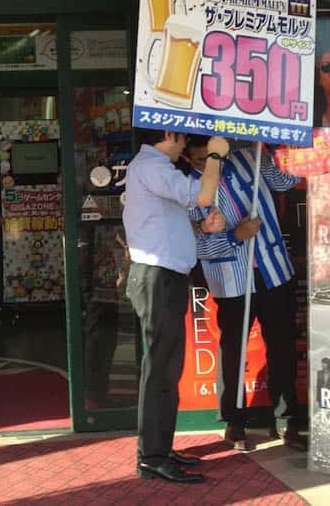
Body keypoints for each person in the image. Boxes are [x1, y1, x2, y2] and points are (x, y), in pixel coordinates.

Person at [185, 136, 307, 453]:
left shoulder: (248, 156)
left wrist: (275, 144)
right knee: (233, 351)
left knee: (281, 346)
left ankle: (287, 419)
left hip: (272, 268)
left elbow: (284, 180)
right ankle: (234, 422)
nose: (208, 164)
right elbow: (198, 246)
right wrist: (236, 235)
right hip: (231, 278)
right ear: (188, 158)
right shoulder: (188, 190)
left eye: (213, 156)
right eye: (200, 159)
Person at [123, 128, 227, 485]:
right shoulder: (152, 167)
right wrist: (214, 155)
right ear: (168, 134)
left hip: (161, 277)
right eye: (184, 139)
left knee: (166, 370)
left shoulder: (151, 169)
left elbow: (163, 225)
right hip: (157, 278)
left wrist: (200, 228)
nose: (186, 146)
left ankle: (159, 450)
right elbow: (203, 193)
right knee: (161, 372)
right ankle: (152, 456)